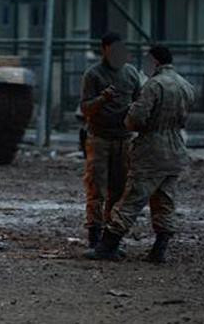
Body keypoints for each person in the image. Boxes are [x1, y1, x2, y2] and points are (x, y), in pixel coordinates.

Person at [87, 45, 195, 263]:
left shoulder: (154, 85)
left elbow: (135, 119)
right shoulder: (185, 85)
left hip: (151, 151)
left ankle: (107, 246)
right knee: (165, 200)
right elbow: (184, 119)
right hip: (175, 150)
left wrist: (130, 120)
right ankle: (159, 249)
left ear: (154, 61)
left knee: (131, 199)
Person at [79, 33, 142, 249]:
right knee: (96, 189)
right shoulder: (93, 74)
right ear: (104, 49)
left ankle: (110, 236)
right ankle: (94, 236)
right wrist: (103, 99)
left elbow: (140, 103)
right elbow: (85, 108)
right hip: (99, 139)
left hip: (123, 140)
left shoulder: (131, 73)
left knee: (119, 190)